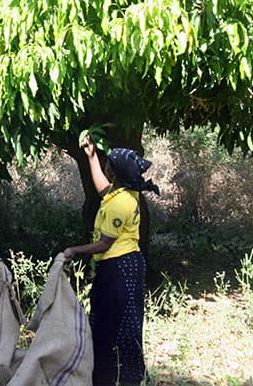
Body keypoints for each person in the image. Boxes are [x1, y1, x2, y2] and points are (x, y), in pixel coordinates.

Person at [61, 135, 159, 386]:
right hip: (118, 266)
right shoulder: (124, 192)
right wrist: (91, 156)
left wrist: (74, 250)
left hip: (120, 268)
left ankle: (127, 378)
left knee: (121, 325)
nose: (106, 165)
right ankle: (105, 376)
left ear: (115, 173)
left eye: (108, 164)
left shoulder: (121, 203)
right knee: (107, 322)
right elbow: (103, 188)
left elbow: (105, 243)